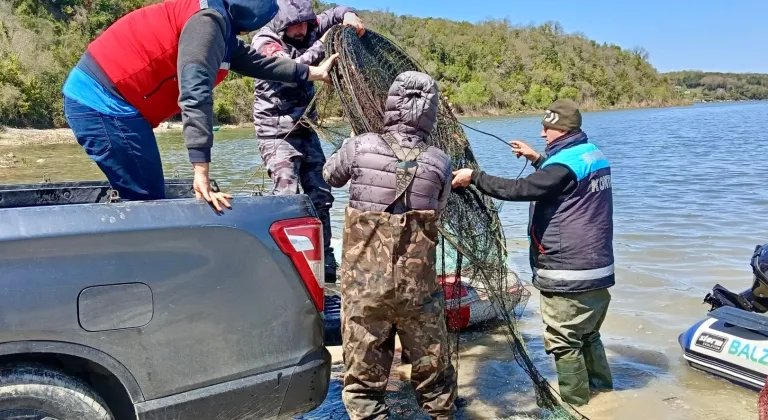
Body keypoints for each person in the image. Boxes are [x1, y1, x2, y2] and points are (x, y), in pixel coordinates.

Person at [61, 0, 338, 211]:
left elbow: (261, 63)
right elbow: (195, 94)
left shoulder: (221, 29)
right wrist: (201, 171)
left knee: (148, 195)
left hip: (122, 106)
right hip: (102, 101)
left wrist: (314, 72)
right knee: (146, 198)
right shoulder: (207, 23)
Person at [452, 99, 614, 406]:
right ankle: (604, 395)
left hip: (568, 272)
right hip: (599, 268)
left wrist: (475, 177)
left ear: (562, 129)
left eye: (547, 128)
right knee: (588, 334)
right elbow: (564, 183)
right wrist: (538, 159)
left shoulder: (564, 165)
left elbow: (521, 189)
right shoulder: (591, 154)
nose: (542, 133)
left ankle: (574, 404)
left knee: (564, 341)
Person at [323, 71, 456, 420]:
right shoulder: (440, 161)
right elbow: (439, 206)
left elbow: (329, 176)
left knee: (364, 386)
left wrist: (351, 144)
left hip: (365, 291)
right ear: (431, 113)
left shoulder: (360, 145)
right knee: (436, 382)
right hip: (418, 292)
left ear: (392, 103)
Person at [250, 0, 364, 283]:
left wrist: (350, 16)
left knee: (321, 197)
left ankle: (325, 265)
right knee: (287, 198)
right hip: (276, 134)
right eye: (295, 26)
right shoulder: (265, 40)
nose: (302, 31)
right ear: (282, 24)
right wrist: (323, 46)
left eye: (305, 24)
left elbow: (337, 12)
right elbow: (291, 70)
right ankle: (285, 269)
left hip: (306, 130)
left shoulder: (310, 27)